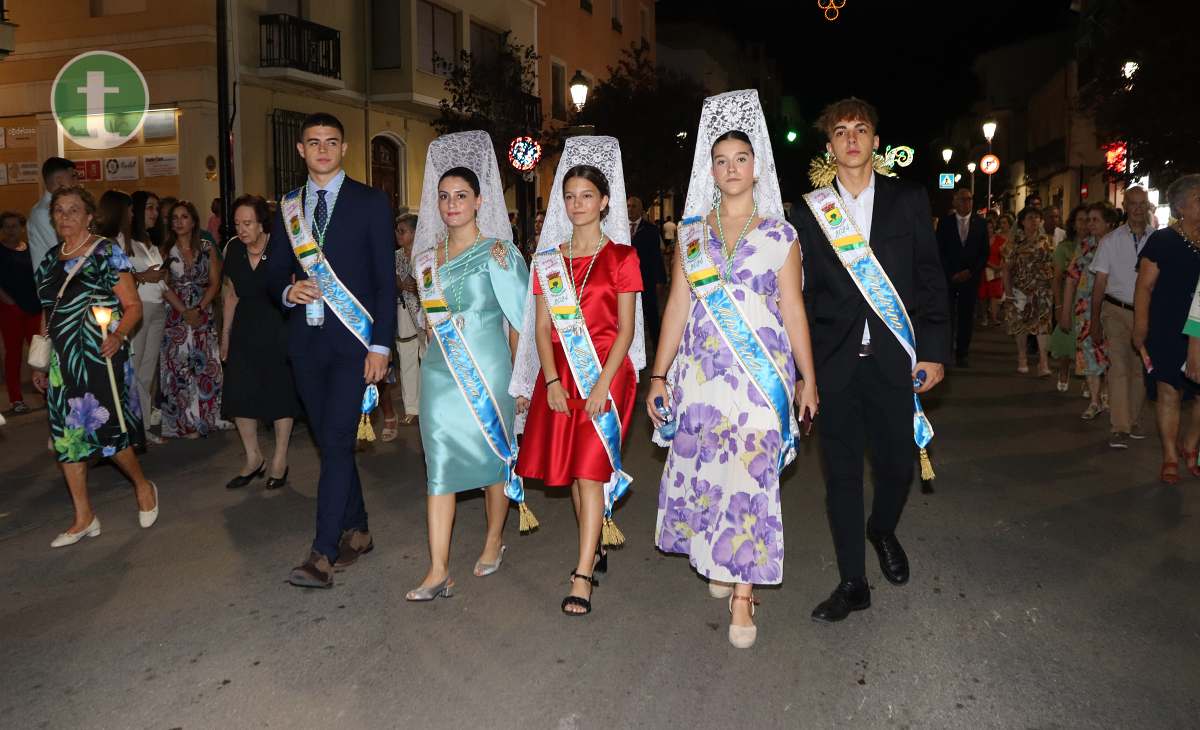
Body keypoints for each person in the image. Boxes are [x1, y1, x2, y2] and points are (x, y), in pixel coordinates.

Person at [650, 90, 818, 648]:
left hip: (758, 377)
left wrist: (806, 377)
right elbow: (677, 304)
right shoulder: (692, 233)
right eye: (720, 160)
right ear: (711, 169)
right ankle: (720, 562)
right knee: (711, 472)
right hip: (700, 375)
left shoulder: (780, 234)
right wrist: (658, 374)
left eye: (740, 159)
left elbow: (793, 308)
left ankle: (745, 596)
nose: (730, 169)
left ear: (756, 166)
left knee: (751, 477)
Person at [796, 96, 948, 624]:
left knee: (897, 467)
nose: (852, 138)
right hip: (835, 365)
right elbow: (805, 296)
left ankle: (882, 528)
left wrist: (934, 351)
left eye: (861, 129)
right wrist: (804, 373)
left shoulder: (908, 200)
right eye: (841, 131)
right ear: (830, 145)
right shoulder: (810, 210)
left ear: (876, 141)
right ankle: (852, 582)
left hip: (893, 361)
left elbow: (930, 279)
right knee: (840, 476)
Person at [511, 137, 646, 616]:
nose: (577, 204)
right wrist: (548, 381)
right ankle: (596, 544)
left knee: (590, 471)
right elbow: (544, 328)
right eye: (569, 196)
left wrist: (602, 384)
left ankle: (582, 574)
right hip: (562, 374)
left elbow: (627, 331)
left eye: (586, 195)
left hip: (608, 374)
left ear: (604, 201)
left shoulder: (623, 258)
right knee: (571, 470)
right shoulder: (548, 262)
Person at [265, 112, 395, 588]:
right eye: (313, 142)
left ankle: (322, 552)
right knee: (330, 441)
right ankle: (357, 528)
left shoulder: (370, 202)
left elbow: (384, 281)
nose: (322, 149)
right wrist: (287, 290)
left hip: (354, 346)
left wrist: (381, 345)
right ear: (301, 150)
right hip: (305, 345)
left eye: (331, 142)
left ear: (343, 149)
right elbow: (274, 271)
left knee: (337, 442)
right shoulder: (288, 208)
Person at [406, 131, 529, 601]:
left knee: (493, 461)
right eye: (444, 197)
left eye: (461, 196)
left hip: (489, 371)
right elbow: (430, 325)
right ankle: (437, 569)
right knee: (438, 468)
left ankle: (494, 538)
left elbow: (520, 322)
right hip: (441, 374)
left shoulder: (499, 252)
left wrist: (521, 381)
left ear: (479, 201)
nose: (452, 204)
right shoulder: (426, 262)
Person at [30, 187, 159, 547]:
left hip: (100, 357)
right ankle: (84, 516)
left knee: (108, 433)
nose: (65, 216)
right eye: (59, 211)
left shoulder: (107, 252)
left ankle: (142, 485)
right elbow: (48, 313)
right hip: (62, 364)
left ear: (89, 216)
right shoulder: (51, 260)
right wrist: (40, 362)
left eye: (73, 210)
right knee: (68, 441)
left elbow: (133, 305)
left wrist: (118, 336)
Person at [221, 194, 299, 489]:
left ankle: (280, 459)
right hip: (244, 329)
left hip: (277, 327)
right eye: (237, 223)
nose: (242, 229)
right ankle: (253, 457)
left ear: (261, 223)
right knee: (241, 393)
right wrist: (225, 336)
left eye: (248, 223)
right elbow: (231, 295)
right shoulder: (233, 251)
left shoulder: (280, 247)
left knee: (279, 394)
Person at [1135, 175, 1200, 482]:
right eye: (1199, 199)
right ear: (1180, 206)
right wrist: (1140, 325)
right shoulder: (1162, 241)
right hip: (1167, 328)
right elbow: (1144, 287)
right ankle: (1170, 456)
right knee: (1169, 392)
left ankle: (1190, 445)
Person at [1090, 188, 1152, 448]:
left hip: (1146, 313)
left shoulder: (1158, 239)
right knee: (1119, 367)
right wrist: (1094, 322)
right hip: (1115, 310)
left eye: (1142, 204)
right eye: (1133, 204)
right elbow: (1099, 283)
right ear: (1125, 206)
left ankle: (1134, 420)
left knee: (1140, 369)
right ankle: (1120, 426)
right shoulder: (1111, 241)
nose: (1138, 209)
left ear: (1148, 206)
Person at [160, 200, 224, 438]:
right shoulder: (165, 250)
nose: (179, 221)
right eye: (174, 218)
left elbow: (215, 283)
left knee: (205, 363)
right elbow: (163, 284)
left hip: (202, 310)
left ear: (194, 221)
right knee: (178, 366)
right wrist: (184, 311)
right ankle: (183, 423)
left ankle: (208, 418)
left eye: (184, 217)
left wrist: (198, 308)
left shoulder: (207, 247)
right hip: (176, 314)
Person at [1062, 206, 1111, 419]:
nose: (1090, 224)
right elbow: (1071, 279)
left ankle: (1108, 395)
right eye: (1088, 220)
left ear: (1109, 223)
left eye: (1095, 220)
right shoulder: (1084, 246)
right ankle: (1094, 401)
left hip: (1111, 308)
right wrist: (1065, 311)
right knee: (1089, 354)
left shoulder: (1117, 245)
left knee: (1111, 354)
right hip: (1085, 310)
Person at [379, 212, 424, 439]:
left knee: (426, 359)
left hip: (425, 313)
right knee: (406, 356)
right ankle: (411, 408)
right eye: (397, 231)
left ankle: (428, 404)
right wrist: (400, 283)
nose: (398, 235)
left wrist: (417, 286)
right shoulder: (395, 256)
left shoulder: (426, 253)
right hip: (403, 310)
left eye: (402, 231)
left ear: (415, 232)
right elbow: (388, 281)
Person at [936, 187, 988, 367]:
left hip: (970, 278)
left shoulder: (980, 223)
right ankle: (947, 351)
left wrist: (971, 271)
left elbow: (984, 253)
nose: (966, 203)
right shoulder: (945, 223)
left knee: (966, 316)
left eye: (969, 199)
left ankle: (963, 352)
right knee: (948, 315)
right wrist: (951, 273)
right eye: (962, 199)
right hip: (950, 278)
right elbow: (939, 251)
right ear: (954, 202)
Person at [1001, 207, 1054, 375]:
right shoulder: (1014, 242)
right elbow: (1007, 269)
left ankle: (1043, 362)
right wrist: (1008, 293)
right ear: (1022, 222)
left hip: (1042, 290)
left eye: (1037, 218)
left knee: (1043, 326)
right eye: (1030, 218)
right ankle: (1022, 357)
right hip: (1020, 290)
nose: (1034, 221)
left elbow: (1053, 265)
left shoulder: (1046, 241)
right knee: (1021, 326)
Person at [0, 211, 42, 413]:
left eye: (14, 226)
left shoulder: (30, 248)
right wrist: (8, 301)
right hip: (10, 310)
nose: (11, 230)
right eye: (6, 226)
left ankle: (46, 393)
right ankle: (16, 400)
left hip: (34, 308)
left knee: (40, 354)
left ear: (22, 227)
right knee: (14, 355)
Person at [1049, 205, 1089, 392]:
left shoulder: (1097, 245)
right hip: (1068, 301)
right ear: (1073, 224)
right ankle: (1064, 370)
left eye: (1088, 220)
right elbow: (1056, 280)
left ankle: (1089, 380)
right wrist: (1057, 306)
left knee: (1087, 343)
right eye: (1080, 220)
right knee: (1066, 342)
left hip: (1088, 302)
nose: (1084, 224)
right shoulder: (1064, 248)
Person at [628, 196, 667, 347]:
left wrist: (660, 280)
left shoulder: (650, 230)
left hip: (646, 281)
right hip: (626, 283)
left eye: (633, 206)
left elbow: (657, 257)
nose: (630, 209)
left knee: (652, 318)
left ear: (640, 209)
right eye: (628, 206)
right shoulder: (620, 229)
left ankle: (658, 349)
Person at [27, 157, 77, 271]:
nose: (77, 183)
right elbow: (63, 250)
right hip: (54, 282)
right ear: (59, 181)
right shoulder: (43, 212)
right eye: (73, 177)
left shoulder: (58, 207)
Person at [977, 213, 1007, 326]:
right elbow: (978, 255)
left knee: (995, 295)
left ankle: (994, 317)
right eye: (986, 227)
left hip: (996, 271)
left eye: (990, 227)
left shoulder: (1000, 240)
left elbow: (1005, 254)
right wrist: (990, 265)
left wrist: (999, 266)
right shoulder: (979, 240)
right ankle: (984, 317)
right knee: (983, 296)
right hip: (983, 270)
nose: (989, 230)